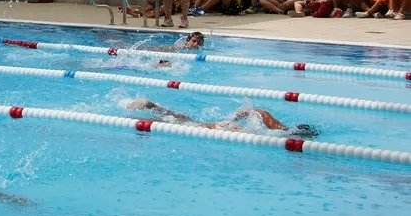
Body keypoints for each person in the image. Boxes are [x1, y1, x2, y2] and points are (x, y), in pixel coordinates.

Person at [128, 99, 318, 137]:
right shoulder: (270, 135)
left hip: (217, 127)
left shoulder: (268, 134)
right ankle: (151, 106)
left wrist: (238, 115)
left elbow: (259, 113)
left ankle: (151, 106)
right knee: (179, 120)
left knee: (178, 119)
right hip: (218, 127)